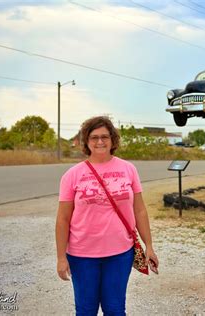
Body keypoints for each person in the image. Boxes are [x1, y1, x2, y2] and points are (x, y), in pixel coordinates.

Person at [55, 116, 159, 315]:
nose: (100, 141)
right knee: (86, 310)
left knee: (115, 309)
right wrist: (61, 257)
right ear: (86, 141)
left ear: (113, 140)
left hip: (120, 254)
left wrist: (149, 246)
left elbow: (140, 210)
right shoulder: (72, 175)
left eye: (105, 136)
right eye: (94, 137)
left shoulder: (128, 169)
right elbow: (62, 219)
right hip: (81, 255)